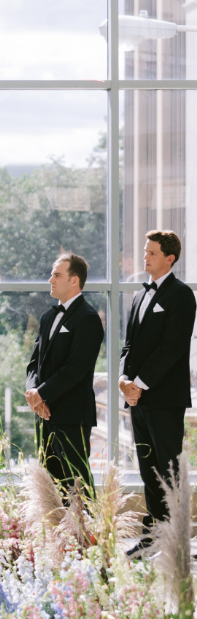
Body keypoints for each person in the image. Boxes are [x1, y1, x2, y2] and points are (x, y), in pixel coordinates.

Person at [119, 229, 197, 552]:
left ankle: (176, 538)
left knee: (168, 469)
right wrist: (124, 379)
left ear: (170, 258)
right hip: (138, 398)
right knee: (147, 467)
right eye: (145, 252)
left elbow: (173, 348)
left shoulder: (182, 295)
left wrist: (140, 383)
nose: (145, 257)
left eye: (151, 253)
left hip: (164, 399)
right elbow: (129, 346)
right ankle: (152, 536)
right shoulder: (139, 296)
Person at [25, 252, 105, 495]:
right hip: (44, 414)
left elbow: (76, 368)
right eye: (51, 274)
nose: (50, 279)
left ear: (74, 280)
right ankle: (59, 533)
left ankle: (89, 531)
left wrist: (42, 394)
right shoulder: (48, 316)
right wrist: (32, 393)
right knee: (51, 487)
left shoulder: (88, 318)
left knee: (77, 484)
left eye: (57, 275)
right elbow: (34, 362)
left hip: (71, 415)